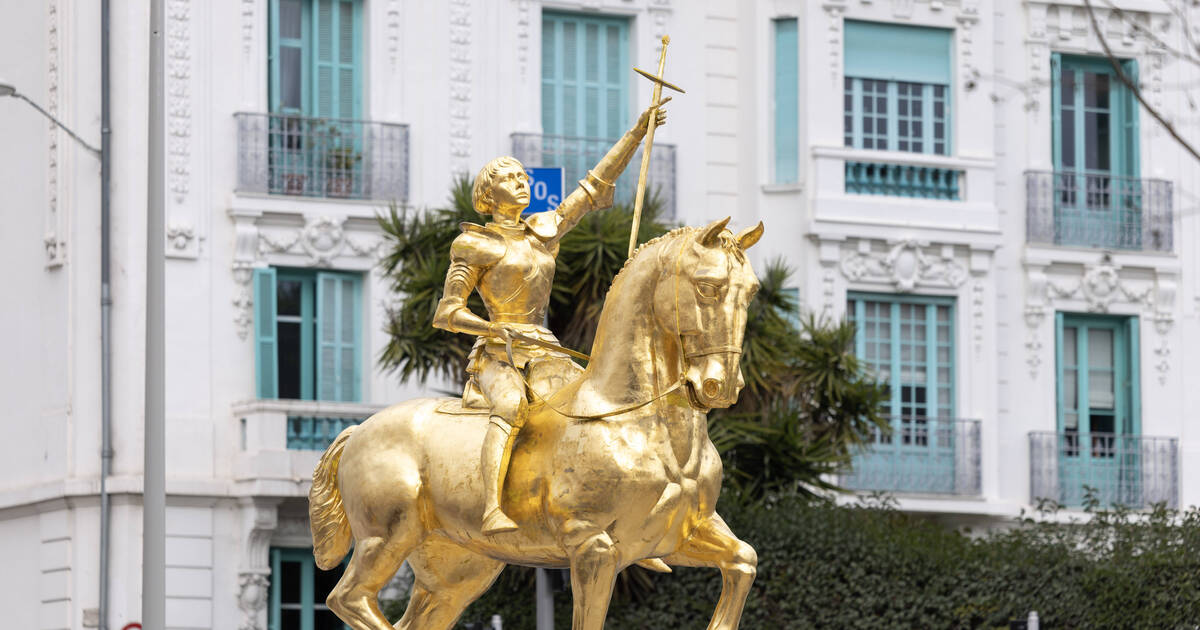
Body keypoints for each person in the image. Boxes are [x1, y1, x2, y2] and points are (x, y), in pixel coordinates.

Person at [433, 100, 669, 535]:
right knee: (511, 405)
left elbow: (593, 185)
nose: (521, 183)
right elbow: (447, 313)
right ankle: (489, 506)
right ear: (488, 195)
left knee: (593, 405)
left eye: (524, 177)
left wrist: (637, 133)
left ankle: (624, 516)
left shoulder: (543, 231)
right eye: (509, 178)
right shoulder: (474, 246)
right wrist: (491, 327)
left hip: (546, 349)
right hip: (499, 353)